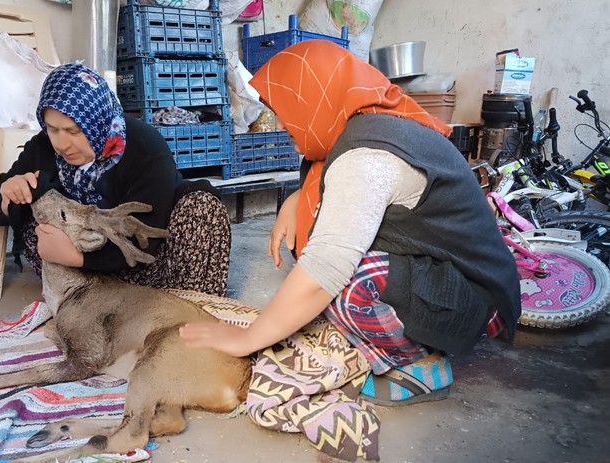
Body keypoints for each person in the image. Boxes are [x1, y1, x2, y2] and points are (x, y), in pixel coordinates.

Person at [180, 40, 521, 406]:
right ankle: (402, 335)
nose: (280, 123)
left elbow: (322, 272)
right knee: (326, 256)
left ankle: (420, 367)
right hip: (453, 277)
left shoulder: (366, 156)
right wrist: (296, 200)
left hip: (480, 304)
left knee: (346, 282)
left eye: (284, 109)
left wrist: (247, 339)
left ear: (311, 98)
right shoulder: (368, 124)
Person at [0, 63, 231, 297]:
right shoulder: (44, 147)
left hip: (154, 267)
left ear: (96, 121)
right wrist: (8, 194)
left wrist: (77, 258)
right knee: (33, 205)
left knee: (203, 208)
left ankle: (192, 307)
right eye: (52, 128)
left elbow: (147, 239)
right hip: (85, 281)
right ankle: (93, 306)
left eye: (73, 131)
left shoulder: (145, 147)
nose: (62, 143)